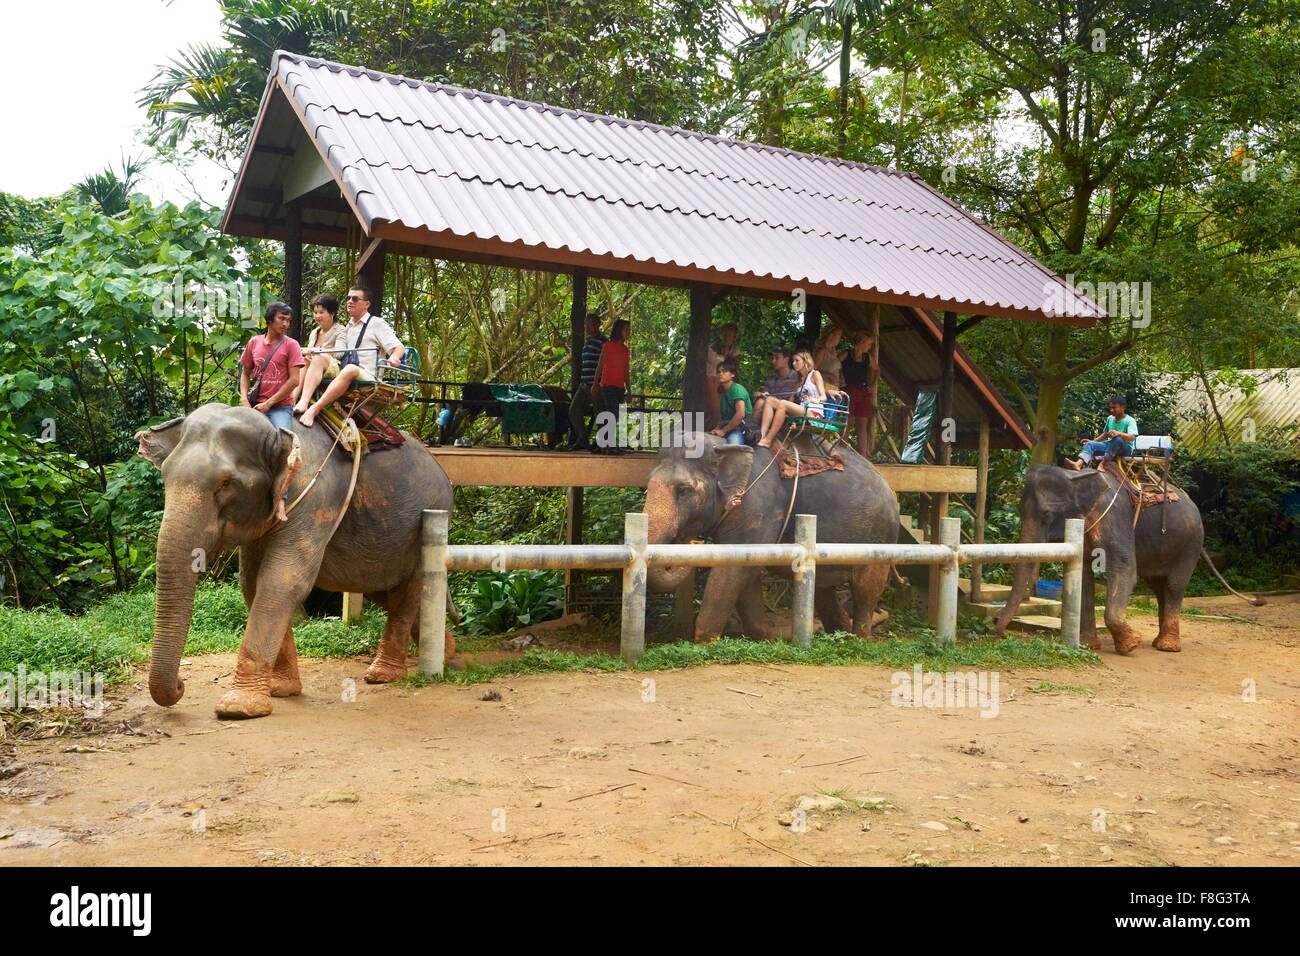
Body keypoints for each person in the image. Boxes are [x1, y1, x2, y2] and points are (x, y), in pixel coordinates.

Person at [298, 285, 405, 428]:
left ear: (366, 304)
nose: (350, 301)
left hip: (366, 375)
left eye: (355, 298)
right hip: (342, 373)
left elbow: (398, 347)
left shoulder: (376, 323)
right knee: (305, 362)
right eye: (348, 298)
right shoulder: (347, 327)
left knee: (350, 369)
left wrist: (395, 357)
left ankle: (314, 409)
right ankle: (295, 400)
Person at [238, 301, 305, 520]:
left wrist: (270, 403)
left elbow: (294, 380)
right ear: (269, 319)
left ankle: (280, 500)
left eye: (288, 320)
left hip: (279, 407)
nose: (285, 324)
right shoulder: (254, 343)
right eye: (281, 319)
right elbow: (245, 374)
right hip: (254, 405)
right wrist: (243, 398)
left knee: (281, 448)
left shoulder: (291, 345)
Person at [756, 350, 825, 448]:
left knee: (783, 404)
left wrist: (818, 399)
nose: (794, 364)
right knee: (770, 400)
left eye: (797, 361)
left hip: (813, 413)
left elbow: (823, 396)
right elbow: (790, 402)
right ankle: (762, 436)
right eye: (793, 361)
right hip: (801, 411)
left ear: (805, 361)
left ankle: (768, 440)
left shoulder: (815, 374)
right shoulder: (798, 380)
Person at [292, 294, 348, 414]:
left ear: (332, 313)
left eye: (321, 312)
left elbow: (339, 353)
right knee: (304, 360)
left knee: (317, 357)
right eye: (315, 312)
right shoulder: (314, 332)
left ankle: (304, 401)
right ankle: (292, 399)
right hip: (313, 367)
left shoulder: (340, 329)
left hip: (331, 367)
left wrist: (317, 351)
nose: (317, 316)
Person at [591, 319, 631, 452]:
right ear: (619, 331)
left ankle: (603, 444)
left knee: (614, 415)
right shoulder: (607, 346)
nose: (628, 332)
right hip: (607, 385)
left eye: (629, 330)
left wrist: (629, 390)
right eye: (626, 330)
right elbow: (600, 366)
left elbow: (626, 371)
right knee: (612, 414)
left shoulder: (625, 350)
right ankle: (609, 445)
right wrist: (595, 384)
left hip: (619, 387)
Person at [568, 313, 606, 450]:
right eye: (585, 325)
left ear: (597, 325)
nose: (587, 327)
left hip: (595, 385)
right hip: (584, 384)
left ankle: (601, 443)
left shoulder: (603, 342)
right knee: (574, 409)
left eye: (589, 324)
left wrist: (598, 383)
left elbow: (605, 365)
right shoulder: (587, 341)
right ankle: (583, 439)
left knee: (599, 413)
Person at [1067, 396, 1138, 469]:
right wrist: (1093, 441)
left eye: (1114, 408)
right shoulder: (1110, 418)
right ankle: (1078, 464)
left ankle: (1103, 464)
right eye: (1110, 408)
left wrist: (1119, 433)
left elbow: (1132, 437)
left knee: (1118, 439)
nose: (1111, 410)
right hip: (1110, 446)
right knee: (1090, 444)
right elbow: (1105, 434)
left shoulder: (1130, 420)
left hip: (1124, 449)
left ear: (1122, 407)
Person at [840, 330, 879, 454]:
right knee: (848, 423)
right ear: (861, 342)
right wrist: (840, 379)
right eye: (868, 344)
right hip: (848, 391)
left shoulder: (868, 357)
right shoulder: (846, 354)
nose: (869, 347)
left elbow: (877, 370)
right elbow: (834, 365)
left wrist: (872, 385)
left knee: (862, 424)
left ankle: (864, 456)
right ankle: (842, 452)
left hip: (863, 391)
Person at [749, 346, 800, 425]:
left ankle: (753, 430)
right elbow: (765, 393)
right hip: (770, 407)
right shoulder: (771, 378)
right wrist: (761, 394)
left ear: (786, 359)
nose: (773, 361)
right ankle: (753, 431)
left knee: (762, 403)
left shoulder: (797, 376)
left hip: (788, 409)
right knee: (760, 401)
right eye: (772, 358)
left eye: (777, 358)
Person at [708, 361, 751, 445]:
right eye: (719, 372)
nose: (720, 374)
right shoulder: (722, 393)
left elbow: (740, 414)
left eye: (724, 371)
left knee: (734, 451)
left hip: (738, 429)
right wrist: (717, 429)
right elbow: (724, 418)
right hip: (726, 428)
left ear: (732, 374)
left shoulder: (737, 389)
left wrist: (723, 431)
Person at [813, 324, 844, 391]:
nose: (840, 339)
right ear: (831, 335)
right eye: (839, 335)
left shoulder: (833, 350)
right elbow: (812, 371)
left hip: (833, 387)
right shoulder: (822, 351)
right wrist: (829, 376)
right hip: (823, 388)